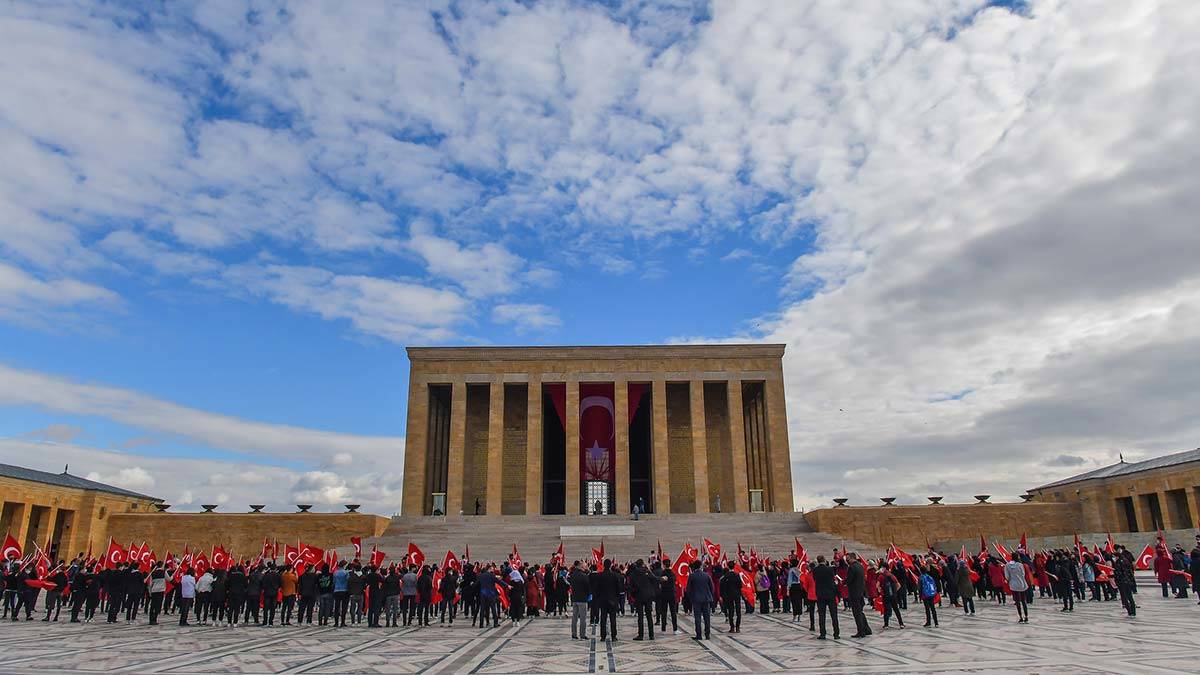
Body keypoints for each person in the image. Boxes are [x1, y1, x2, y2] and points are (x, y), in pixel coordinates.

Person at [811, 555, 839, 639]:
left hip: (820, 594)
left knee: (822, 615)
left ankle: (822, 633)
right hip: (830, 593)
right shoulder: (830, 569)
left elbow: (815, 579)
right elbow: (832, 579)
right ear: (824, 560)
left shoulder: (815, 570)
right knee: (834, 615)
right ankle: (836, 633)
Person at [685, 560, 713, 641]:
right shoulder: (706, 575)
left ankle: (699, 635)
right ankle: (707, 634)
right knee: (707, 617)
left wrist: (691, 598)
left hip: (696, 599)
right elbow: (712, 587)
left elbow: (688, 589)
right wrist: (709, 595)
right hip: (706, 599)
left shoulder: (692, 576)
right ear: (700, 566)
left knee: (697, 618)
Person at [846, 552, 871, 638]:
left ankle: (861, 631)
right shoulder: (860, 566)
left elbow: (849, 580)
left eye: (848, 558)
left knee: (857, 613)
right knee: (860, 611)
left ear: (852, 558)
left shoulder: (852, 567)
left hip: (854, 592)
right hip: (860, 592)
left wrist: (843, 581)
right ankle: (867, 629)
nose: (847, 560)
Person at [593, 559, 620, 641]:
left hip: (603, 600)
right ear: (611, 565)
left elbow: (596, 588)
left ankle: (603, 636)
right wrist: (616, 598)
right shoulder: (615, 575)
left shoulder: (600, 575)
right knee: (613, 619)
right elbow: (618, 588)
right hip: (612, 600)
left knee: (603, 619)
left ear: (604, 565)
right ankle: (614, 636)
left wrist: (598, 597)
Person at [630, 560, 656, 640]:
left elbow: (632, 586)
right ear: (642, 564)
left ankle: (640, 635)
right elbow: (654, 579)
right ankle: (651, 635)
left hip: (639, 596)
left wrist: (633, 595)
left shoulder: (633, 573)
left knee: (640, 617)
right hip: (648, 596)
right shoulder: (647, 571)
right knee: (649, 616)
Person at [1004, 555, 1030, 622]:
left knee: (1017, 602)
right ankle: (1026, 616)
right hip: (1021, 583)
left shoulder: (1007, 565)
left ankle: (1020, 617)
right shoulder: (1020, 565)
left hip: (1013, 584)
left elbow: (1007, 576)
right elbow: (1023, 574)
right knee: (1023, 601)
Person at [568, 561, 590, 639]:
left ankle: (574, 634)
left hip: (574, 598)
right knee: (583, 618)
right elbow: (588, 587)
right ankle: (582, 634)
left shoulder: (572, 575)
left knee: (574, 618)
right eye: (584, 566)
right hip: (582, 599)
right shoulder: (584, 576)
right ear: (581, 566)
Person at [719, 561, 742, 633]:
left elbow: (722, 587)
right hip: (736, 595)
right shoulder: (737, 575)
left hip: (728, 596)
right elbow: (740, 585)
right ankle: (737, 627)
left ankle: (732, 627)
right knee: (738, 611)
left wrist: (722, 596)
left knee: (731, 611)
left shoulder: (725, 576)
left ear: (728, 567)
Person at [332, 561, 349, 627]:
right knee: (344, 607)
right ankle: (343, 622)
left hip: (337, 590)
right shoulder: (346, 573)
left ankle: (336, 622)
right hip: (344, 590)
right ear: (344, 566)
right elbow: (348, 581)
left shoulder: (335, 573)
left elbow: (334, 582)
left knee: (337, 607)